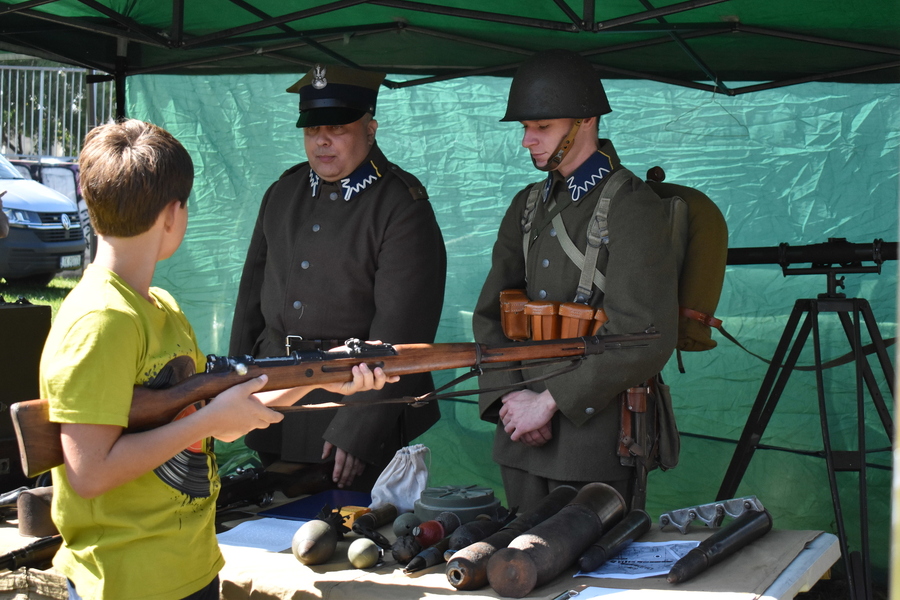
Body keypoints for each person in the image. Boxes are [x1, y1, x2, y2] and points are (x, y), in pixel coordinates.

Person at [41, 119, 397, 600]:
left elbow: (225, 422)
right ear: (173, 213)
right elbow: (90, 473)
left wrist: (323, 376)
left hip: (188, 567)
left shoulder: (160, 307)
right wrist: (206, 419)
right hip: (126, 582)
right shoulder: (101, 321)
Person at [472, 49, 680, 513]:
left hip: (593, 443)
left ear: (586, 120)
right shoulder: (527, 204)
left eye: (542, 127)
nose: (527, 140)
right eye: (525, 128)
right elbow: (492, 315)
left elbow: (643, 334)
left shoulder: (632, 207)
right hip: (521, 435)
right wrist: (511, 400)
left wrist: (549, 402)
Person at [230, 64, 447, 491]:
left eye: (337, 128)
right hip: (273, 396)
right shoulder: (283, 192)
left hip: (350, 406)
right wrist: (235, 389)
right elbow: (250, 303)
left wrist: (358, 429)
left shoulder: (400, 205)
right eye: (311, 131)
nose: (321, 140)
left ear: (371, 128)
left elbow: (402, 330)